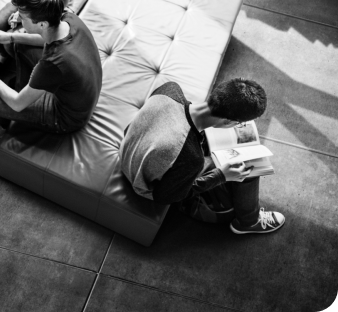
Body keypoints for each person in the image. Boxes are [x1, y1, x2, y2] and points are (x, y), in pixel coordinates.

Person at [120, 79, 286, 235]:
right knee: (248, 167)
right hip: (143, 184)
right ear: (228, 122)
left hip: (128, 151)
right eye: (240, 123)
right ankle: (248, 222)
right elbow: (165, 197)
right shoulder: (190, 156)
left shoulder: (170, 89)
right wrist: (221, 176)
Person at [0, 0, 102, 139]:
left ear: (42, 24)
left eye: (22, 17)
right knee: (20, 44)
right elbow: (46, 38)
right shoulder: (69, 18)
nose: (18, 18)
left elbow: (17, 104)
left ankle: (7, 122)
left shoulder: (53, 62)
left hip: (67, 117)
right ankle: (24, 89)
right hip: (81, 94)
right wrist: (11, 36)